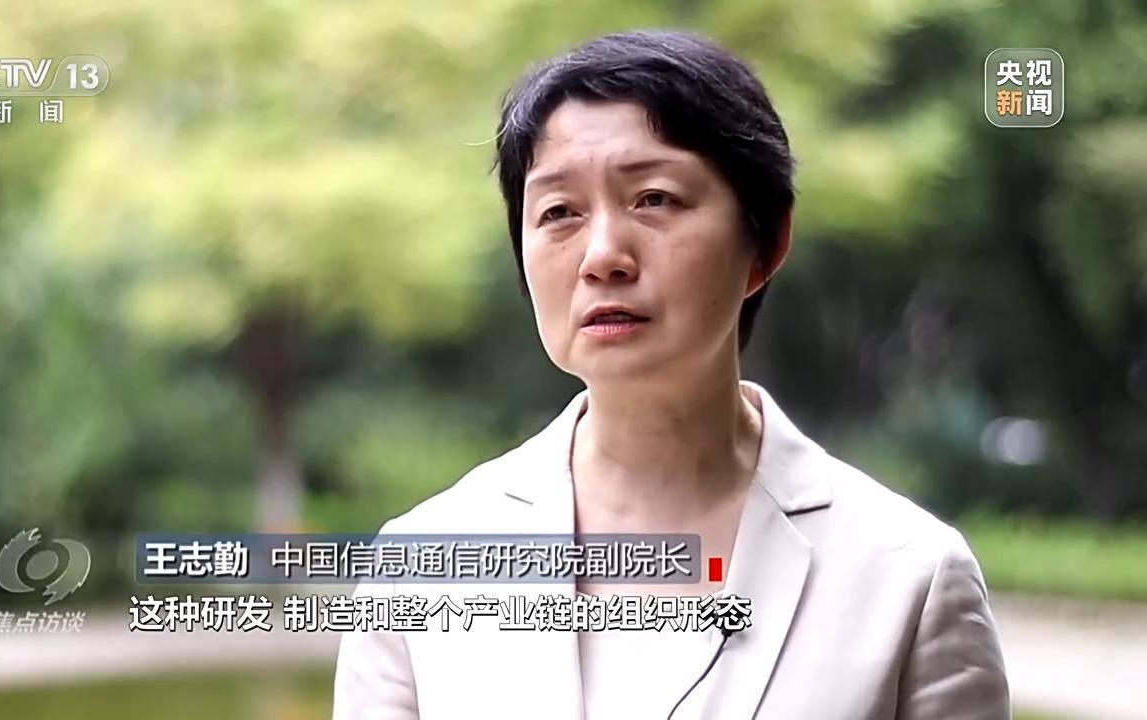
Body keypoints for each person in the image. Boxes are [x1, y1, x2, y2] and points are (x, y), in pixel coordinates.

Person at [332, 29, 1010, 720]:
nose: (602, 256)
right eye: (559, 212)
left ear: (766, 241)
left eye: (654, 198)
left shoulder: (909, 577)